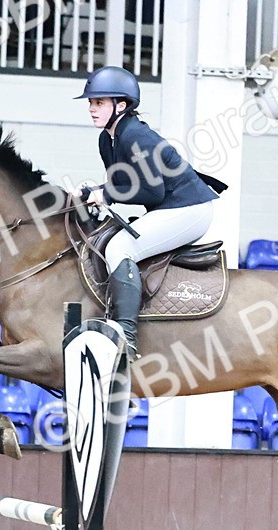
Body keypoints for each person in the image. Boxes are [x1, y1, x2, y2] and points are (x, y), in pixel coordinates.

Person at [74, 65, 223, 358]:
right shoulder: (108, 138)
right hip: (169, 207)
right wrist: (85, 194)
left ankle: (126, 336)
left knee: (120, 247)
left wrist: (103, 194)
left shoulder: (135, 136)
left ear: (122, 105)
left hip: (189, 209)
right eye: (91, 103)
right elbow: (121, 185)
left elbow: (150, 191)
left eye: (99, 103)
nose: (91, 109)